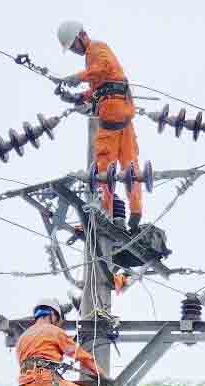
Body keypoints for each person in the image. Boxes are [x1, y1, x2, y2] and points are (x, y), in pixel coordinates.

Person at [57, 20, 143, 232]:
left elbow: (102, 69)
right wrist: (77, 97)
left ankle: (107, 214)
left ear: (81, 36)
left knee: (103, 168)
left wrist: (78, 76)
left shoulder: (96, 49)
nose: (75, 51)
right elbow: (100, 86)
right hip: (123, 115)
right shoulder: (93, 58)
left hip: (112, 116)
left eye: (74, 46)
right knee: (130, 166)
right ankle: (135, 212)